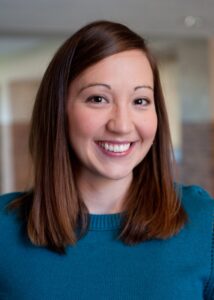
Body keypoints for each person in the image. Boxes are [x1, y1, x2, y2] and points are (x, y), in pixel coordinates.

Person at [0, 20, 213, 300]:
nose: (122, 125)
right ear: (59, 110)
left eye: (140, 101)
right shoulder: (4, 231)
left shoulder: (204, 223)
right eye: (98, 98)